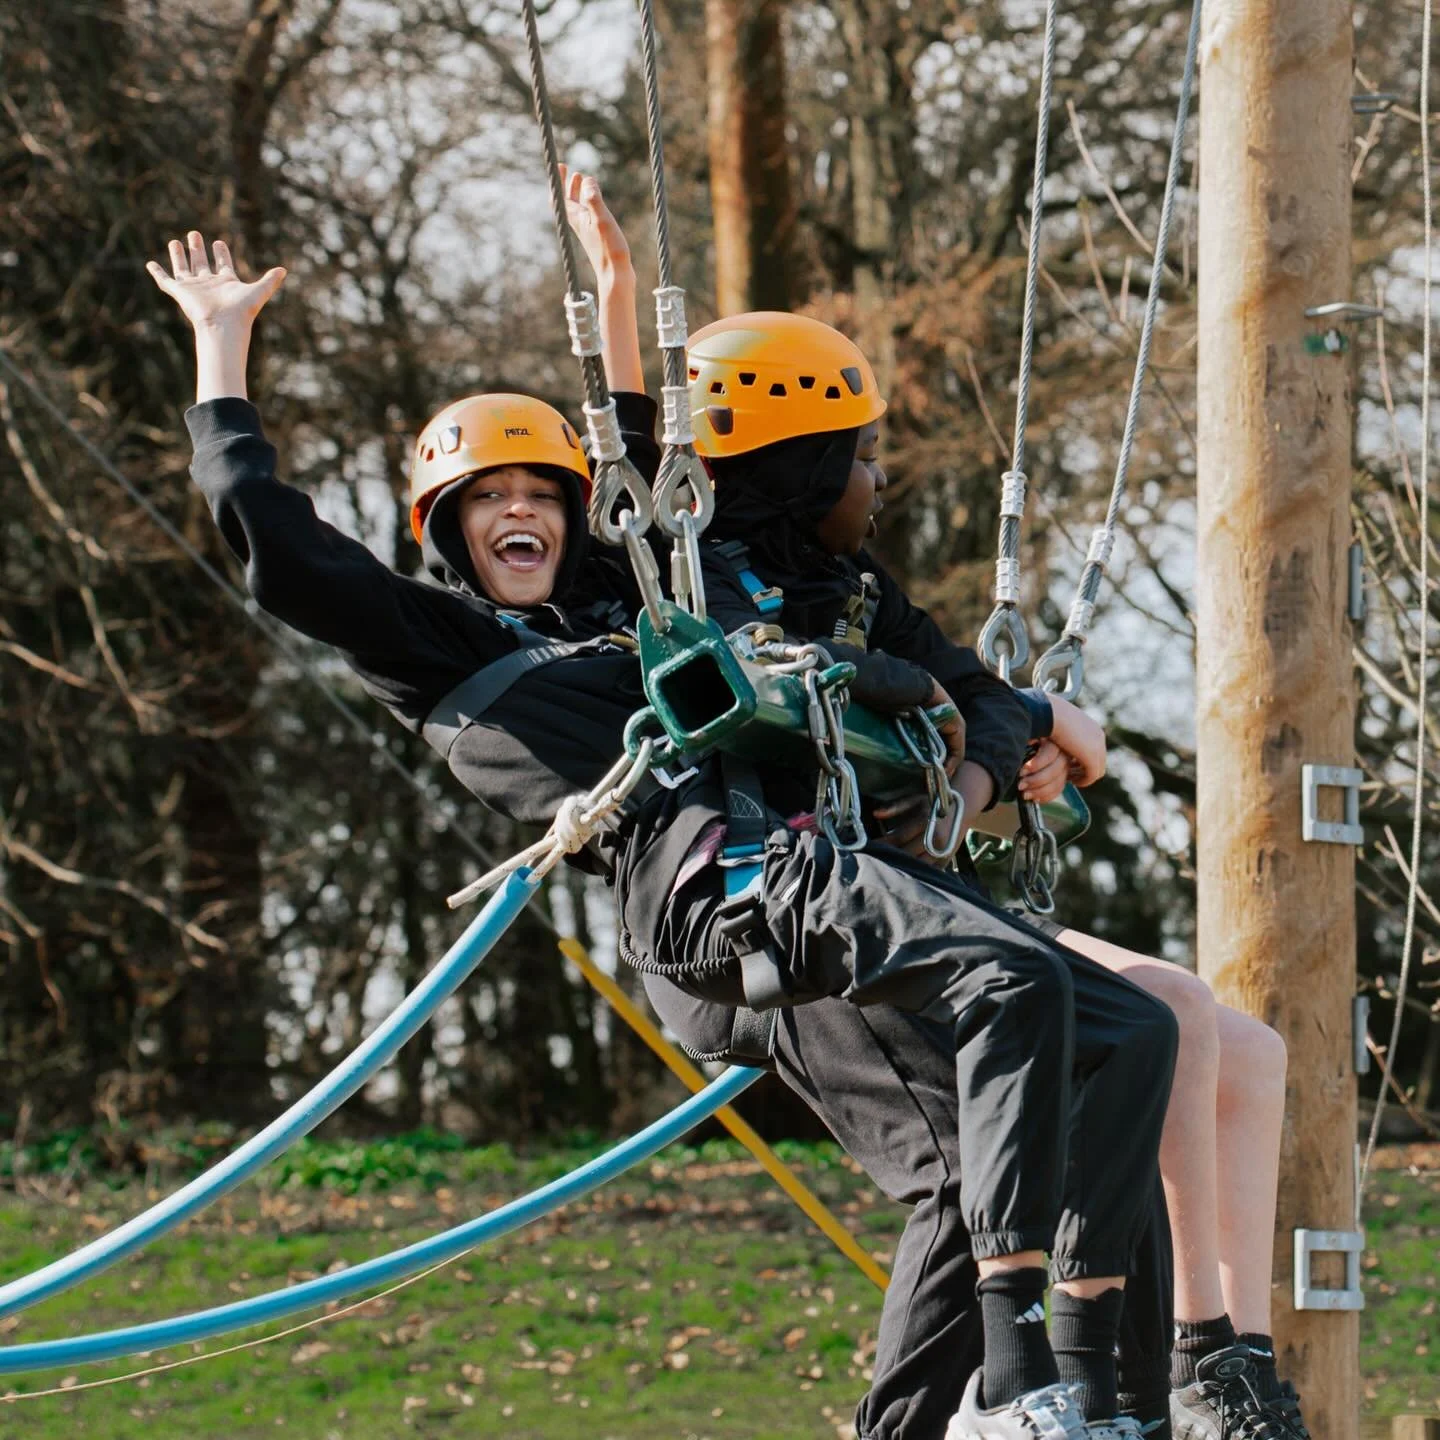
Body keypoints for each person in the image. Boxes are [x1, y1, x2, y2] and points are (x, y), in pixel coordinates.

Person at [152, 202, 1175, 1440]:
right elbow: (274, 542)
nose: (521, 513)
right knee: (1005, 1020)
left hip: (805, 863)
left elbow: (643, 479)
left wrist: (620, 299)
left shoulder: (622, 606)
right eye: (488, 499)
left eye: (542, 494)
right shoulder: (436, 644)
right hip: (712, 890)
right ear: (445, 528)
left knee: (1121, 1039)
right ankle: (1021, 1386)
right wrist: (220, 352)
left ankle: (1106, 1400)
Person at [680, 305, 1305, 1440]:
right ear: (797, 463)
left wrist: (980, 773)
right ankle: (1171, 1366)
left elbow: (973, 691)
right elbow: (845, 685)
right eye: (863, 454)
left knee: (1230, 1044)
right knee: (1135, 1040)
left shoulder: (857, 586)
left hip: (923, 893)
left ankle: (1223, 1360)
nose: (880, 478)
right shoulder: (703, 588)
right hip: (810, 914)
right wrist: (996, 719)